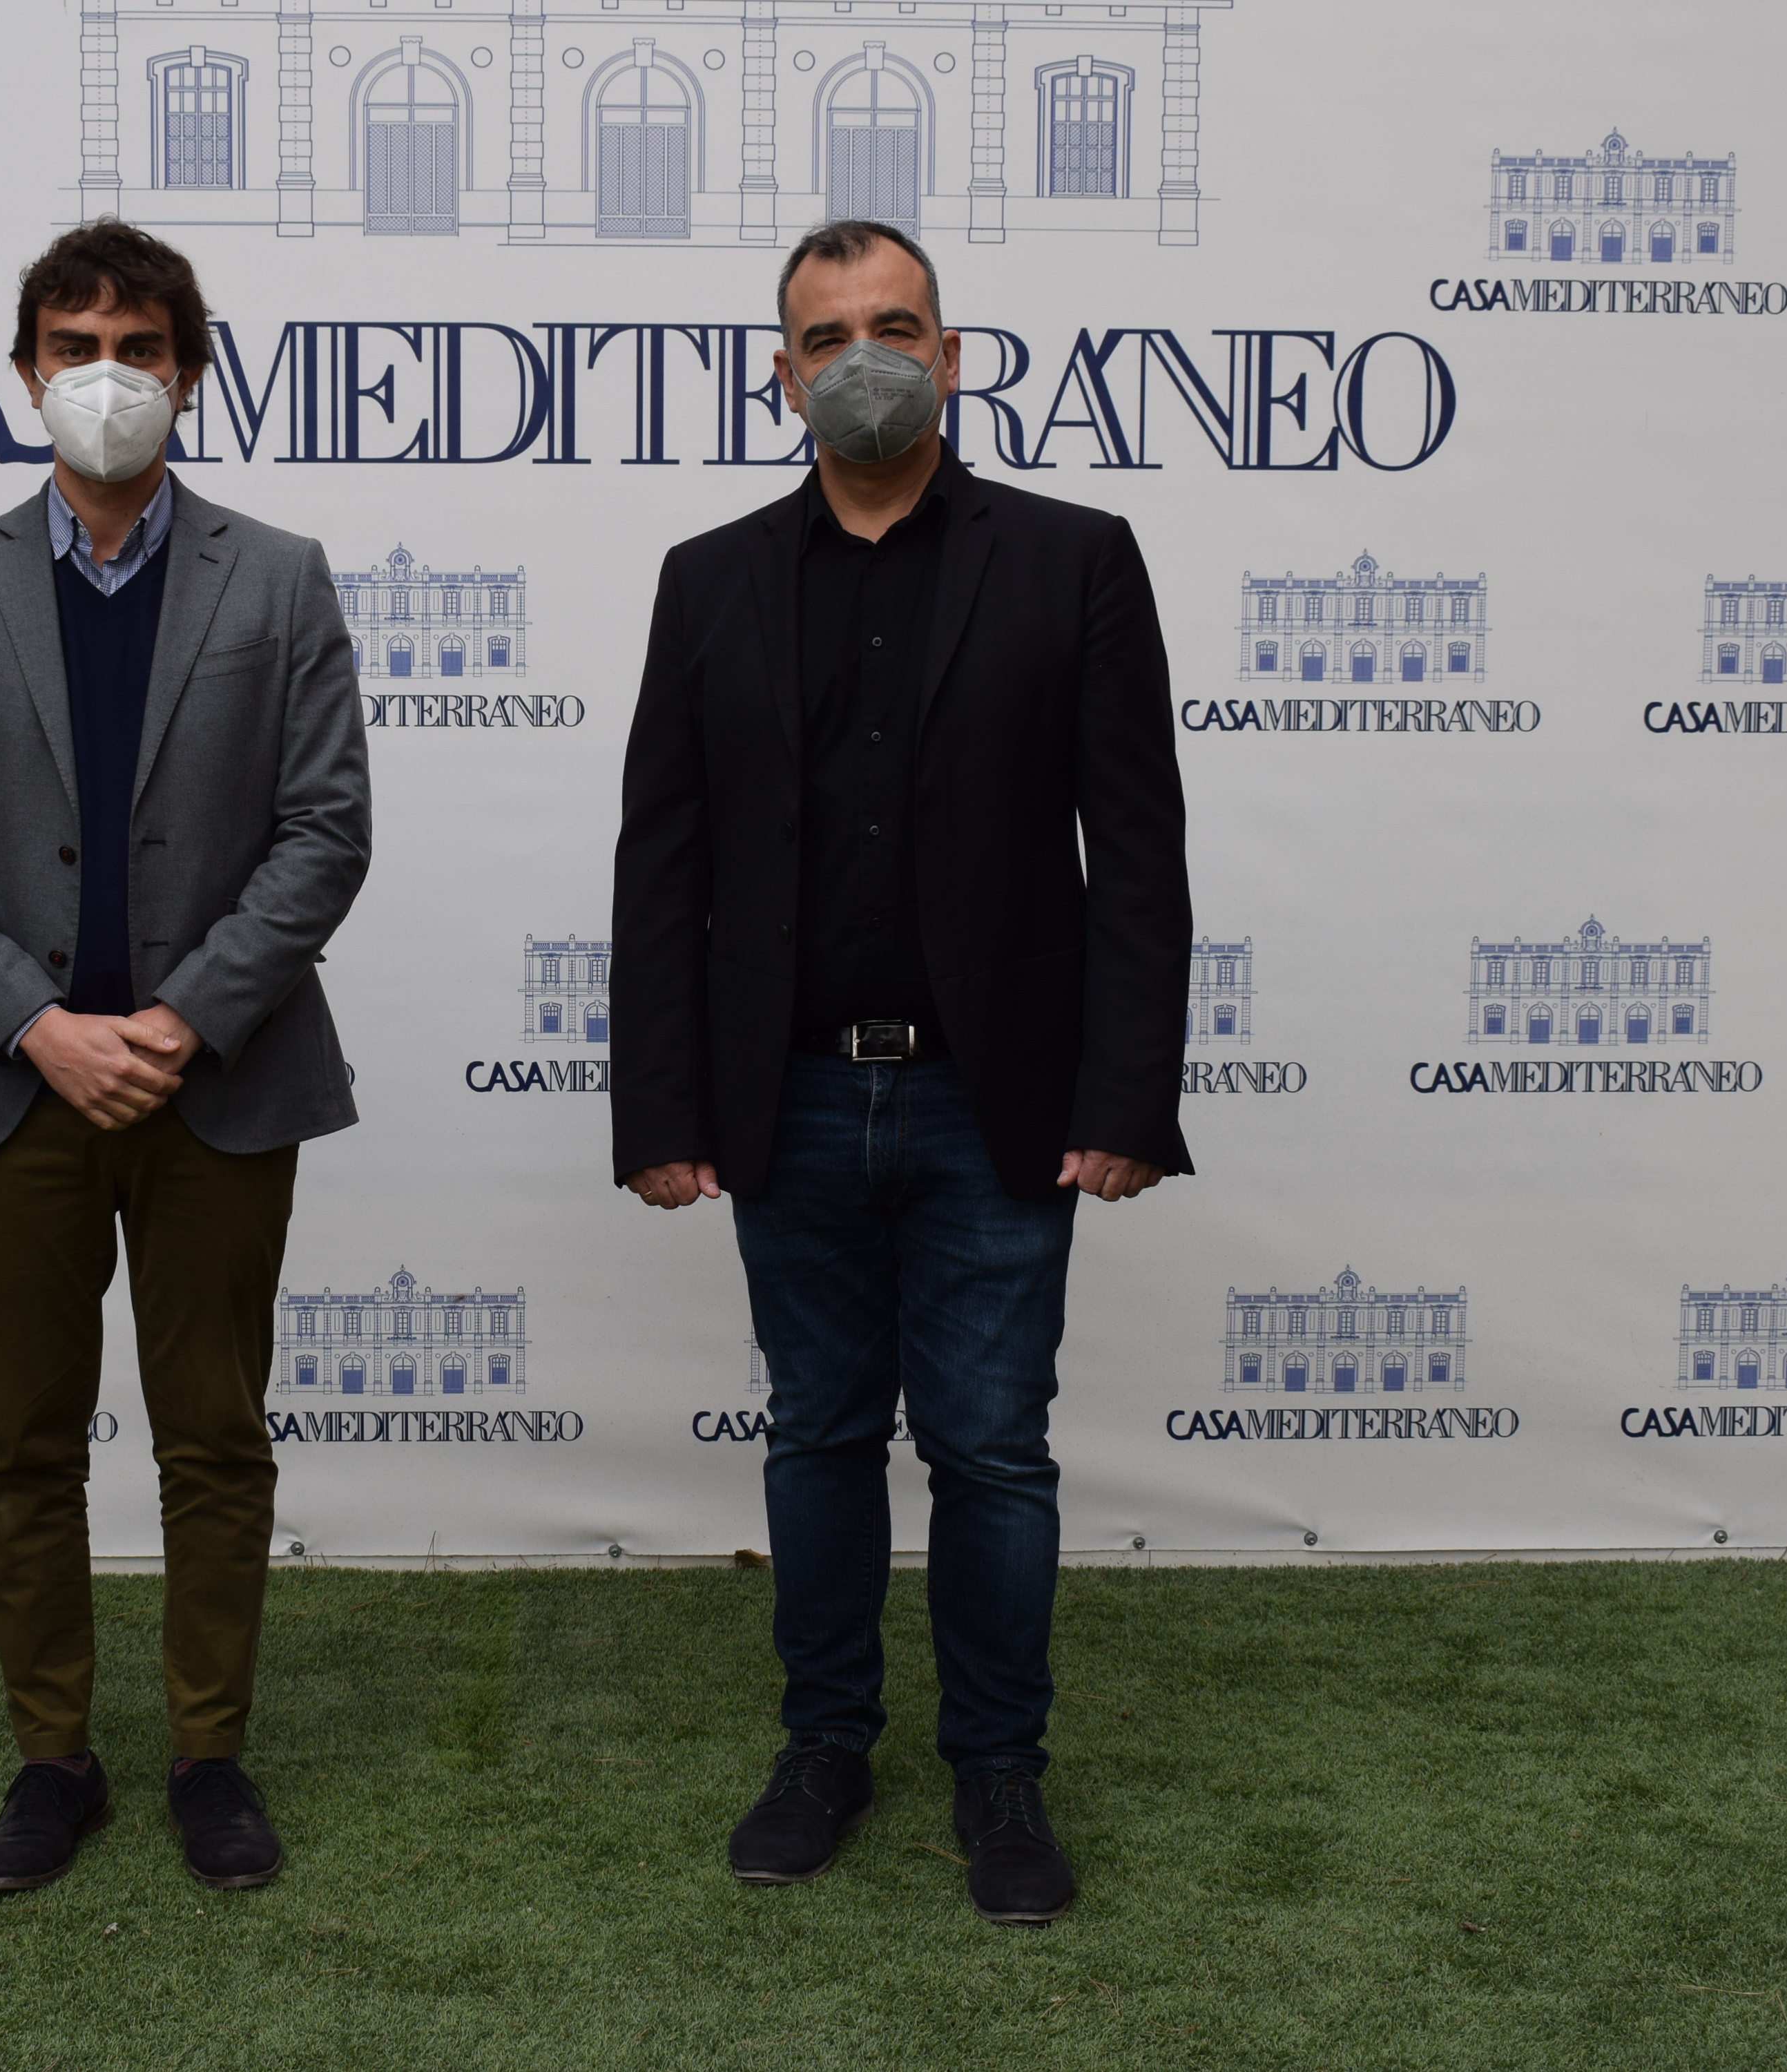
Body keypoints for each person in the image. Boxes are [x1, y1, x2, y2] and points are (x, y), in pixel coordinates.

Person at [610, 220, 1190, 1926]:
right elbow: (663, 861)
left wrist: (1123, 1096)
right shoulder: (708, 579)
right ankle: (824, 1749)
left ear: (951, 353)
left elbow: (1135, 854)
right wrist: (662, 1108)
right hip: (784, 1092)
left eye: (894, 325)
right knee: (816, 1436)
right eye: (826, 335)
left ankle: (999, 1772)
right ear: (780, 373)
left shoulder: (1075, 560)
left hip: (991, 1099)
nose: (862, 356)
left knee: (993, 1450)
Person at [0, 220, 369, 1896]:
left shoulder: (276, 576)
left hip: (220, 1081)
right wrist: (40, 1024)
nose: (105, 376)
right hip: (7, 1087)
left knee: (213, 1436)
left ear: (188, 373)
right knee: (25, 1440)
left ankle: (209, 1758)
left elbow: (325, 831)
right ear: (23, 374)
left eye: (138, 348)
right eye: (72, 347)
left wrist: (184, 1017)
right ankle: (52, 1761)